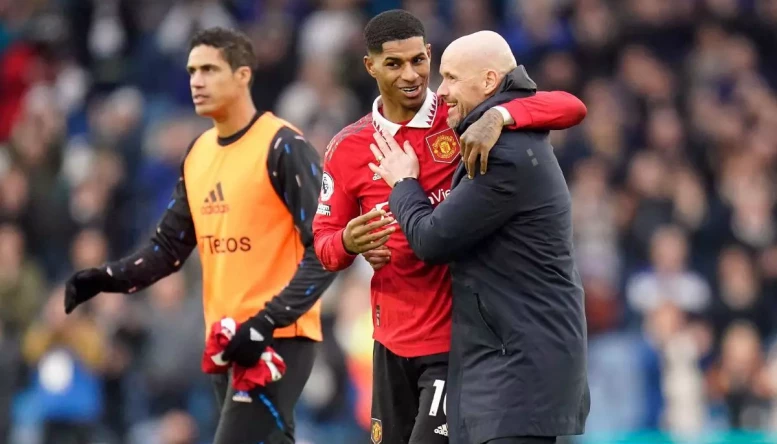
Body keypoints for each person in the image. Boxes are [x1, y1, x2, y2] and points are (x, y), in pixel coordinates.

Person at [312, 10, 587, 444]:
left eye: (418, 61)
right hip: (388, 341)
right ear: (370, 67)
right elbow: (323, 244)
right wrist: (349, 241)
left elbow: (568, 105)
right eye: (394, 64)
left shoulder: (460, 116)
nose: (411, 75)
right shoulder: (348, 147)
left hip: (453, 342)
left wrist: (503, 118)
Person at [63, 27, 335, 444]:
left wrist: (266, 322)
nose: (196, 80)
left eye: (209, 69)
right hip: (225, 339)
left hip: (277, 338)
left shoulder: (283, 146)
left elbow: (327, 248)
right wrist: (105, 278)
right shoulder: (199, 153)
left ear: (243, 75)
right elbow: (168, 249)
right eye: (192, 70)